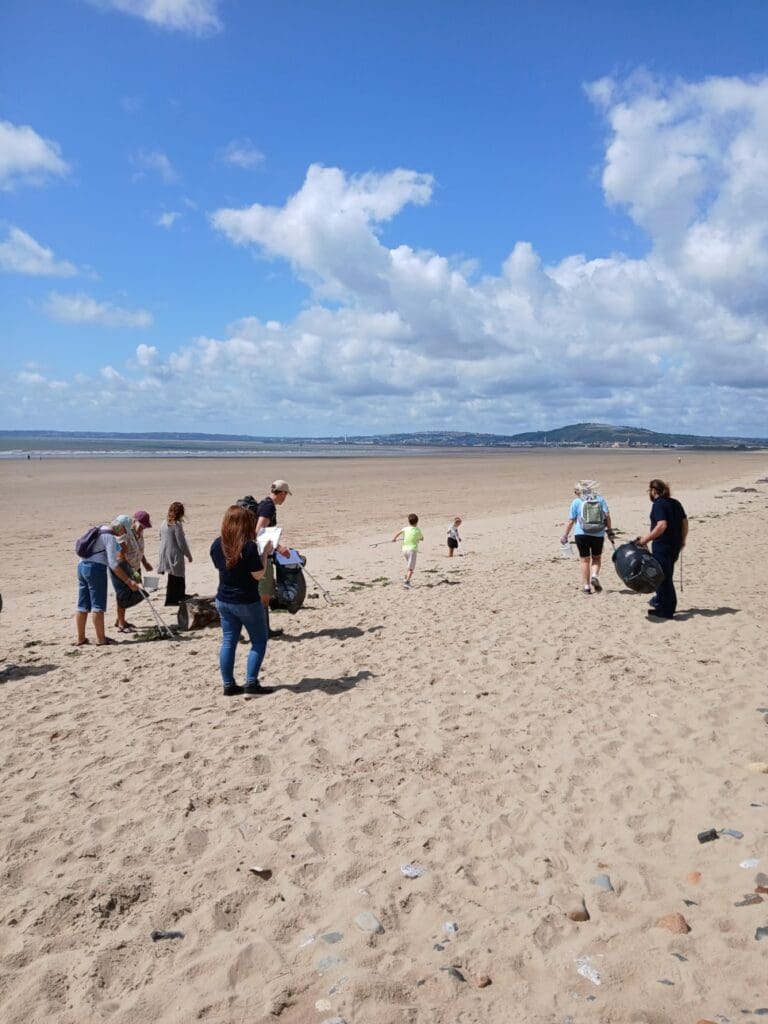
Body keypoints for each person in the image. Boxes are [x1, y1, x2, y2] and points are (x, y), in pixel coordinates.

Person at [210, 505, 276, 698]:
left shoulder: (217, 544)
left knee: (229, 641)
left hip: (224, 598)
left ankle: (229, 684)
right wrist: (265, 553)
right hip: (246, 600)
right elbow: (259, 575)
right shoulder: (248, 547)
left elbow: (220, 567)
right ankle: (251, 682)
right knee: (259, 640)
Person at [75, 516, 140, 646]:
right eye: (124, 531)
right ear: (120, 527)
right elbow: (113, 564)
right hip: (95, 570)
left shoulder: (99, 528)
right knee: (97, 605)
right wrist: (129, 581)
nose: (123, 534)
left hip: (81, 566)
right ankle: (101, 639)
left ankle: (80, 639)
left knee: (82, 605)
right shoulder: (109, 537)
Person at [638, 479, 688, 619]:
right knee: (663, 575)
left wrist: (645, 539)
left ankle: (667, 610)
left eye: (650, 491)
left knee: (663, 578)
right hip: (674, 545)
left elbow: (661, 525)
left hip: (663, 545)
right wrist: (682, 540)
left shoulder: (659, 504)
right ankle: (660, 602)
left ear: (653, 491)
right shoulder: (675, 503)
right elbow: (684, 523)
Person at [254, 481, 292, 638]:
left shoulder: (264, 503)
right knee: (265, 594)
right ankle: (264, 630)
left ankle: (263, 629)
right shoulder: (268, 507)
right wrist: (278, 548)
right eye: (286, 495)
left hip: (260, 554)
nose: (285, 499)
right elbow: (259, 531)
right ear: (282, 493)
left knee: (262, 593)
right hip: (262, 555)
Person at [561, 481, 613, 594]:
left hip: (581, 534)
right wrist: (610, 530)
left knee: (584, 560)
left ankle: (586, 587)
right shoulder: (600, 499)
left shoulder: (576, 502)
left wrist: (565, 535)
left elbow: (571, 520)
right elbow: (607, 516)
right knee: (597, 558)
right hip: (598, 533)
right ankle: (594, 576)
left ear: (578, 491)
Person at [157, 501, 193, 606]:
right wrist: (188, 555)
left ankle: (171, 599)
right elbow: (181, 542)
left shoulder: (164, 522)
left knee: (172, 576)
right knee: (179, 575)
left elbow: (160, 536)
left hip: (164, 552)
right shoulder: (177, 524)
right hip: (174, 553)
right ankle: (178, 597)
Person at [393, 513, 424, 588]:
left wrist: (394, 539)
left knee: (410, 565)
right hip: (412, 550)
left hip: (404, 550)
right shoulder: (417, 530)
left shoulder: (405, 528)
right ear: (417, 522)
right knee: (411, 568)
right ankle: (407, 582)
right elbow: (422, 538)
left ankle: (405, 578)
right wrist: (418, 538)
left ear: (408, 521)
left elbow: (398, 533)